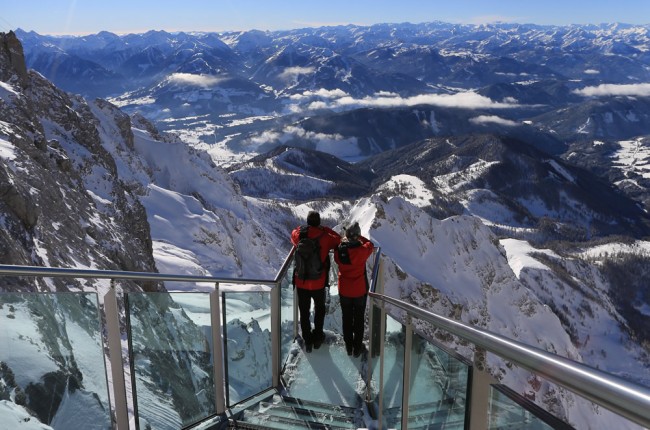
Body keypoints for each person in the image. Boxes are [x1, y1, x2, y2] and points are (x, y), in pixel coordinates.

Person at [291, 210, 341, 352]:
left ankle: (307, 340)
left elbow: (293, 233)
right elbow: (338, 239)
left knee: (304, 312)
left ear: (307, 222)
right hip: (319, 282)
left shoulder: (299, 235)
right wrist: (324, 228)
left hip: (301, 282)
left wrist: (304, 229)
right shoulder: (325, 237)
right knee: (319, 310)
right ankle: (318, 337)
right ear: (319, 222)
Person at [334, 222, 374, 357]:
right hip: (359, 291)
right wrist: (359, 238)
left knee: (347, 318)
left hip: (344, 290)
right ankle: (357, 348)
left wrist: (347, 239)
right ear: (357, 236)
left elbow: (336, 257)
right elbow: (370, 245)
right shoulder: (362, 251)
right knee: (358, 320)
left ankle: (348, 346)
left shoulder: (339, 250)